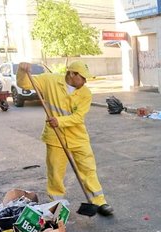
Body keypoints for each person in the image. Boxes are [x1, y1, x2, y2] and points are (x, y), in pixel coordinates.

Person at [16, 61, 113, 216]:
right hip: (55, 138)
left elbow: (78, 117)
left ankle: (99, 202)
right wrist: (22, 71)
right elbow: (25, 83)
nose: (85, 81)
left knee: (88, 170)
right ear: (72, 74)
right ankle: (56, 204)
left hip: (78, 137)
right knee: (55, 172)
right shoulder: (50, 80)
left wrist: (59, 121)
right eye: (82, 77)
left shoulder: (85, 93)